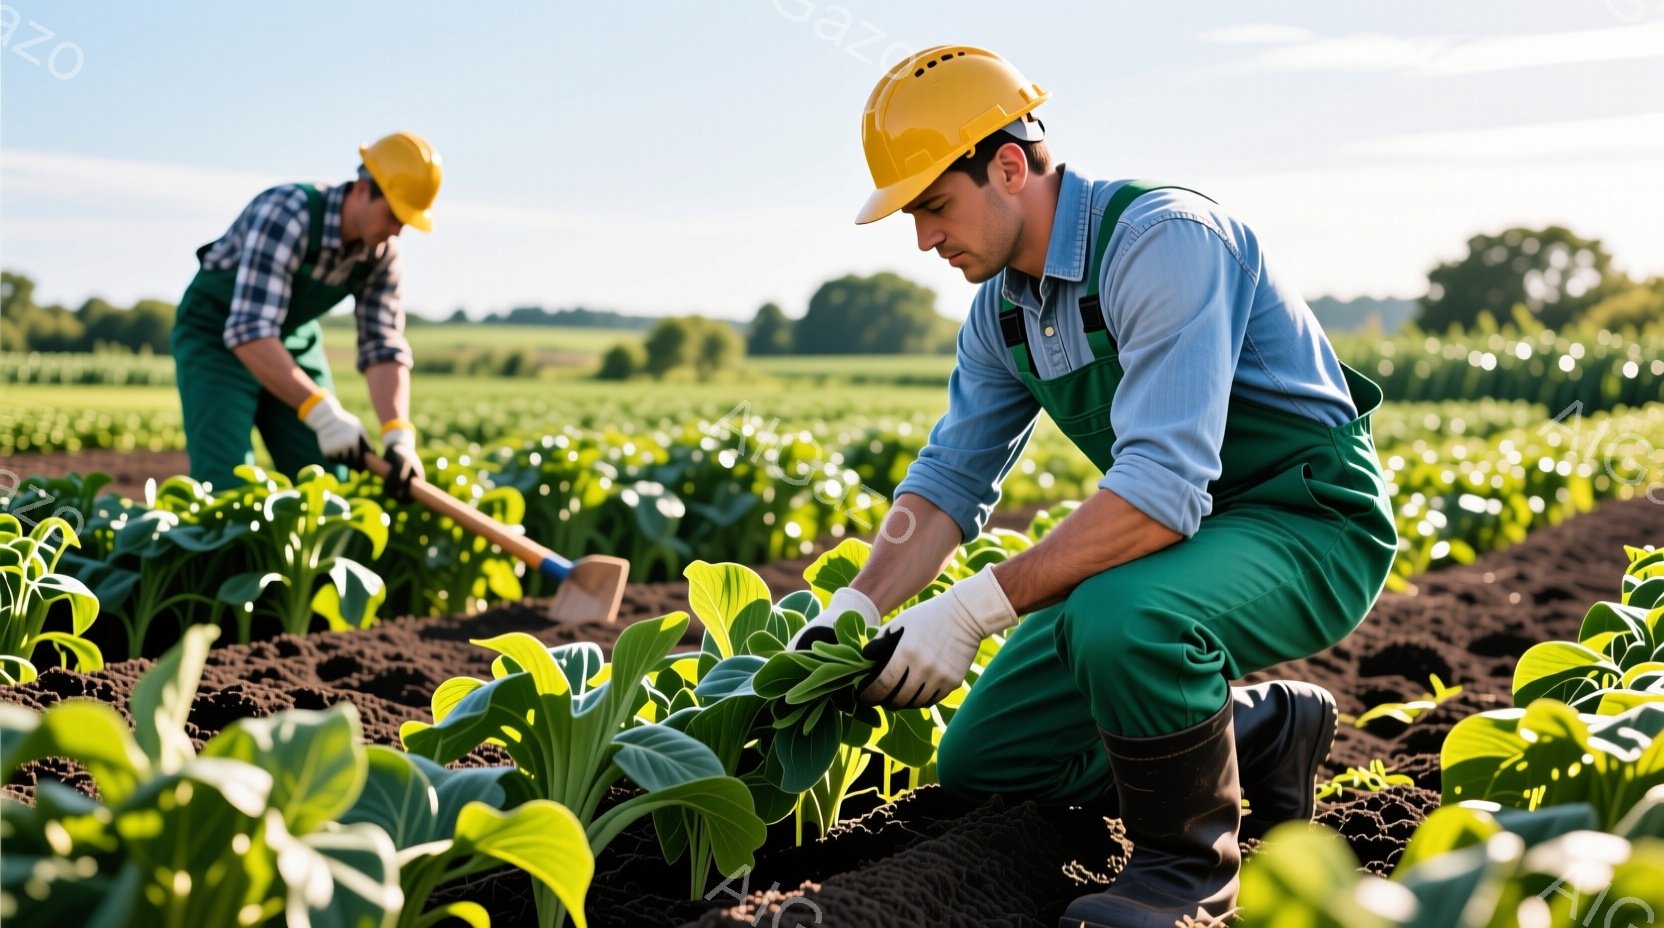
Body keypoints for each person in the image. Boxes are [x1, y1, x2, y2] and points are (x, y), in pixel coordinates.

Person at [790, 46, 1398, 926]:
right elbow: (949, 481)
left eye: (933, 205)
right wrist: (857, 601)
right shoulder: (1002, 311)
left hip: (1307, 522)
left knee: (1124, 622)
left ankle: (1187, 874)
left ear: (1007, 166)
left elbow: (1159, 488)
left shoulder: (1165, 241)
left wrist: (968, 613)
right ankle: (1261, 730)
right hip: (1178, 541)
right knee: (986, 760)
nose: (924, 239)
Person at [170, 131, 442, 501]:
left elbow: (383, 344)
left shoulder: (382, 252)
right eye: (393, 214)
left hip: (290, 338)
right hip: (217, 338)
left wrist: (398, 434)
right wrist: (322, 413)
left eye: (406, 222)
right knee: (225, 484)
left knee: (326, 479)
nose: (396, 230)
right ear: (363, 189)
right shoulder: (287, 213)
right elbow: (249, 330)